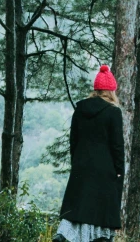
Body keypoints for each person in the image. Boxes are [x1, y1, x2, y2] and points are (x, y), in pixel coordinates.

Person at [53, 65, 125, 242]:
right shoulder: (113, 112)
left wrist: (77, 163)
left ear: (96, 89)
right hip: (104, 169)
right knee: (99, 212)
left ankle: (64, 235)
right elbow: (117, 145)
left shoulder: (80, 109)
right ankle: (97, 238)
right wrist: (119, 170)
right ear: (111, 91)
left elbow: (73, 140)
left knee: (78, 208)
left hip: (81, 167)